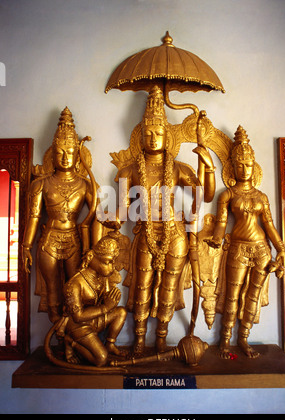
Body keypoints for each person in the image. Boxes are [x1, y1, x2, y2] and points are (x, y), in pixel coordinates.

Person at [115, 86, 216, 354]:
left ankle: (161, 337)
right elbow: (123, 210)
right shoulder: (129, 170)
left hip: (174, 233)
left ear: (167, 136)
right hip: (146, 233)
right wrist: (110, 221)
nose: (153, 137)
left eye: (159, 133)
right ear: (140, 136)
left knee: (169, 286)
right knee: (142, 285)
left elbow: (205, 195)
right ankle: (139, 339)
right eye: (147, 133)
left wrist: (208, 166)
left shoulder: (179, 168)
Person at [207, 126, 285, 358]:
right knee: (232, 294)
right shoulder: (228, 195)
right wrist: (216, 238)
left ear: (254, 166)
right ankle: (225, 340)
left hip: (261, 249)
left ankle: (243, 338)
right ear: (232, 167)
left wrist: (281, 249)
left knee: (253, 295)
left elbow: (269, 225)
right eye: (240, 165)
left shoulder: (261, 197)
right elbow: (221, 222)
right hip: (238, 248)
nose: (244, 169)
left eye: (248, 164)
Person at [22, 107, 103, 323]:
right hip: (49, 241)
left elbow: (97, 216)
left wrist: (94, 249)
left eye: (70, 151)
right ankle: (58, 339)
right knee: (53, 292)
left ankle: (73, 338)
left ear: (78, 154)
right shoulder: (41, 184)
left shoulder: (86, 185)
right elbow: (34, 218)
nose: (65, 157)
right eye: (60, 151)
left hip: (74, 242)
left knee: (74, 289)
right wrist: (25, 246)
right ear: (52, 152)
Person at [62, 235, 127, 367]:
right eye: (107, 262)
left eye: (112, 262)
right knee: (101, 359)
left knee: (121, 312)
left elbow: (106, 300)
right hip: (78, 326)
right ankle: (70, 342)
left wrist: (111, 300)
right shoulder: (74, 284)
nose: (111, 267)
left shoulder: (101, 277)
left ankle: (110, 344)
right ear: (92, 257)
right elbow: (78, 316)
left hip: (94, 319)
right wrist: (105, 308)